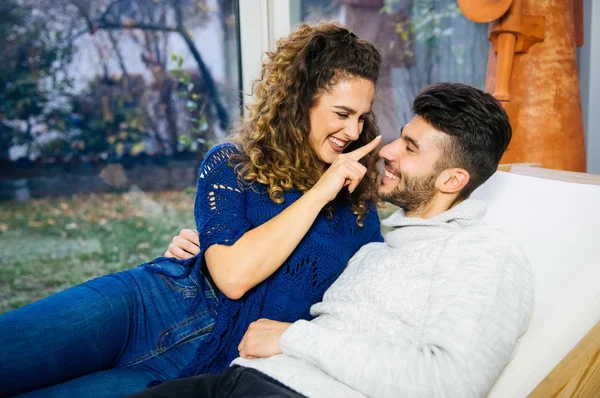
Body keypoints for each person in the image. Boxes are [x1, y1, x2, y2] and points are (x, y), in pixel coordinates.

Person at [0, 22, 384, 397]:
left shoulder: (358, 215)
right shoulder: (231, 164)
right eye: (341, 113)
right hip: (145, 304)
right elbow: (232, 274)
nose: (352, 132)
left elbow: (362, 312)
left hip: (198, 365)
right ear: (301, 100)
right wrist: (319, 192)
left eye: (361, 117)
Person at [129, 83, 535, 398]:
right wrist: (209, 248)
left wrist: (291, 337)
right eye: (400, 137)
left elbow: (450, 383)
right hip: (242, 377)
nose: (387, 151)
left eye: (409, 148)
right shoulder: (377, 247)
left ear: (452, 180)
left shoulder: (483, 253)